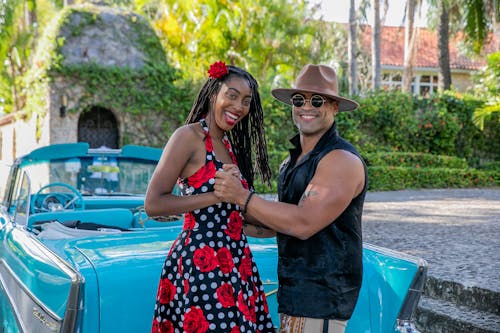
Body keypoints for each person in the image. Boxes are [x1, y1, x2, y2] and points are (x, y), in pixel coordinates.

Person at [214, 64, 367, 333]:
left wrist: (241, 195)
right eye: (299, 100)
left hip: (322, 301)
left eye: (317, 100)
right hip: (295, 298)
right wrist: (222, 212)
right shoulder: (292, 161)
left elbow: (303, 223)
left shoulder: (341, 160)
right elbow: (278, 222)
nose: (306, 107)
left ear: (334, 107)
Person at [145, 61, 275, 333]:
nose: (239, 106)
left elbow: (233, 210)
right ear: (214, 93)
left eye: (246, 101)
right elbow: (154, 204)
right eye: (232, 95)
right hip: (202, 265)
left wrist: (275, 221)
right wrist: (215, 197)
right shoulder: (188, 137)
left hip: (237, 262)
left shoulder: (229, 145)